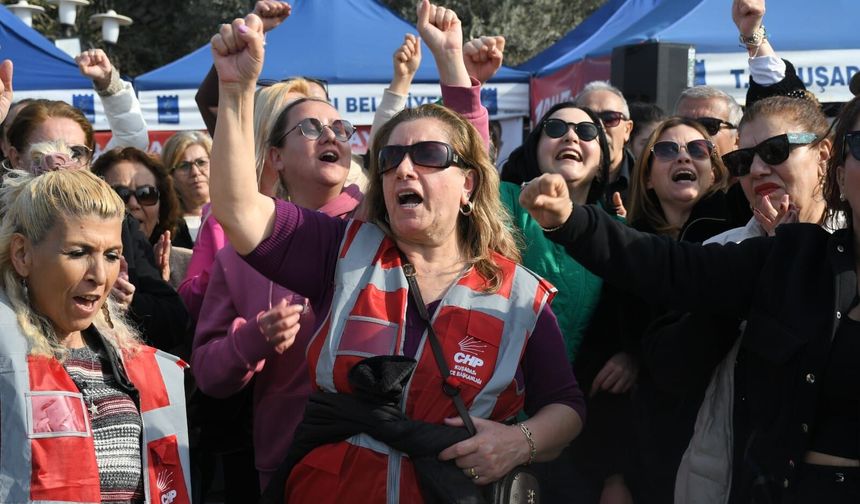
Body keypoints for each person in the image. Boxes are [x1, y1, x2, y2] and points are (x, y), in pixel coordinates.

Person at [208, 6, 584, 502]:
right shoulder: (339, 250)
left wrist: (520, 442)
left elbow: (567, 407)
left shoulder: (518, 294)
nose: (405, 169)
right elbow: (237, 210)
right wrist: (236, 91)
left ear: (468, 184)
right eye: (390, 159)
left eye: (428, 156)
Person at [519, 92, 860, 503]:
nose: (755, 169)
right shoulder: (774, 254)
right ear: (842, 171)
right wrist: (571, 220)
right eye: (741, 160)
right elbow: (666, 268)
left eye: (774, 151)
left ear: (824, 157)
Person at [0, 168, 190, 504]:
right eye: (77, 253)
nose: (100, 275)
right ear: (22, 255)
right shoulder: (6, 364)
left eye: (112, 255)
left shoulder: (139, 368)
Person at [500, 102, 626, 503]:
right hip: (491, 422)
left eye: (587, 133)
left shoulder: (619, 232)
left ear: (604, 161)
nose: (572, 136)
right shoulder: (504, 203)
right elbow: (462, 167)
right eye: (556, 127)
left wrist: (632, 352)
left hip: (578, 439)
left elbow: (636, 316)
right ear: (535, 148)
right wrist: (453, 65)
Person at [4, 99, 191, 355]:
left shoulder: (118, 224)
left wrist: (126, 302)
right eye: (78, 252)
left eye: (76, 153)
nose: (63, 162)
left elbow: (174, 319)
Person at [575, 81, 635, 208]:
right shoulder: (552, 182)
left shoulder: (650, 183)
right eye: (589, 119)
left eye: (610, 118)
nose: (599, 127)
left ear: (627, 130)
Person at [161, 131, 213, 242]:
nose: (195, 172)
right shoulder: (165, 228)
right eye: (184, 166)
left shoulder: (233, 215)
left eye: (201, 162)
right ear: (170, 175)